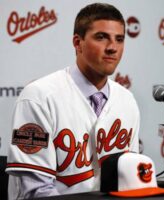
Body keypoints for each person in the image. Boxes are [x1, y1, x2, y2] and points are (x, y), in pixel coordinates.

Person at [6, 3, 140, 199]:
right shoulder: (38, 97)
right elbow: (36, 190)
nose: (112, 48)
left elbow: (129, 177)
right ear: (78, 43)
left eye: (119, 39)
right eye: (101, 37)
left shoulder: (127, 100)